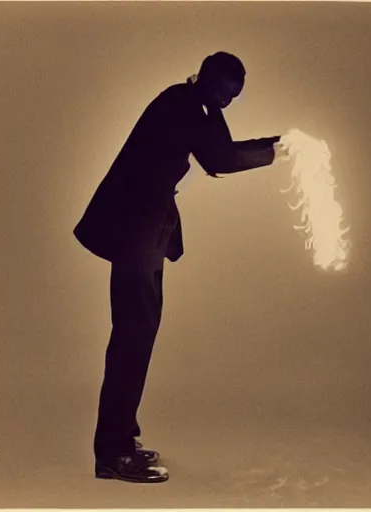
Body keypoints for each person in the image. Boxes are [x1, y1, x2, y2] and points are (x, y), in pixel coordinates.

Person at [73, 51, 286, 484]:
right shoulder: (183, 105)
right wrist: (276, 151)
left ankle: (121, 439)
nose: (229, 104)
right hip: (136, 234)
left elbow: (218, 147)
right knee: (132, 341)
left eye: (234, 99)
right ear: (211, 82)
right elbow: (219, 160)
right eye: (228, 95)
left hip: (145, 235)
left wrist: (274, 145)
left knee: (137, 338)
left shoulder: (195, 103)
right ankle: (112, 454)